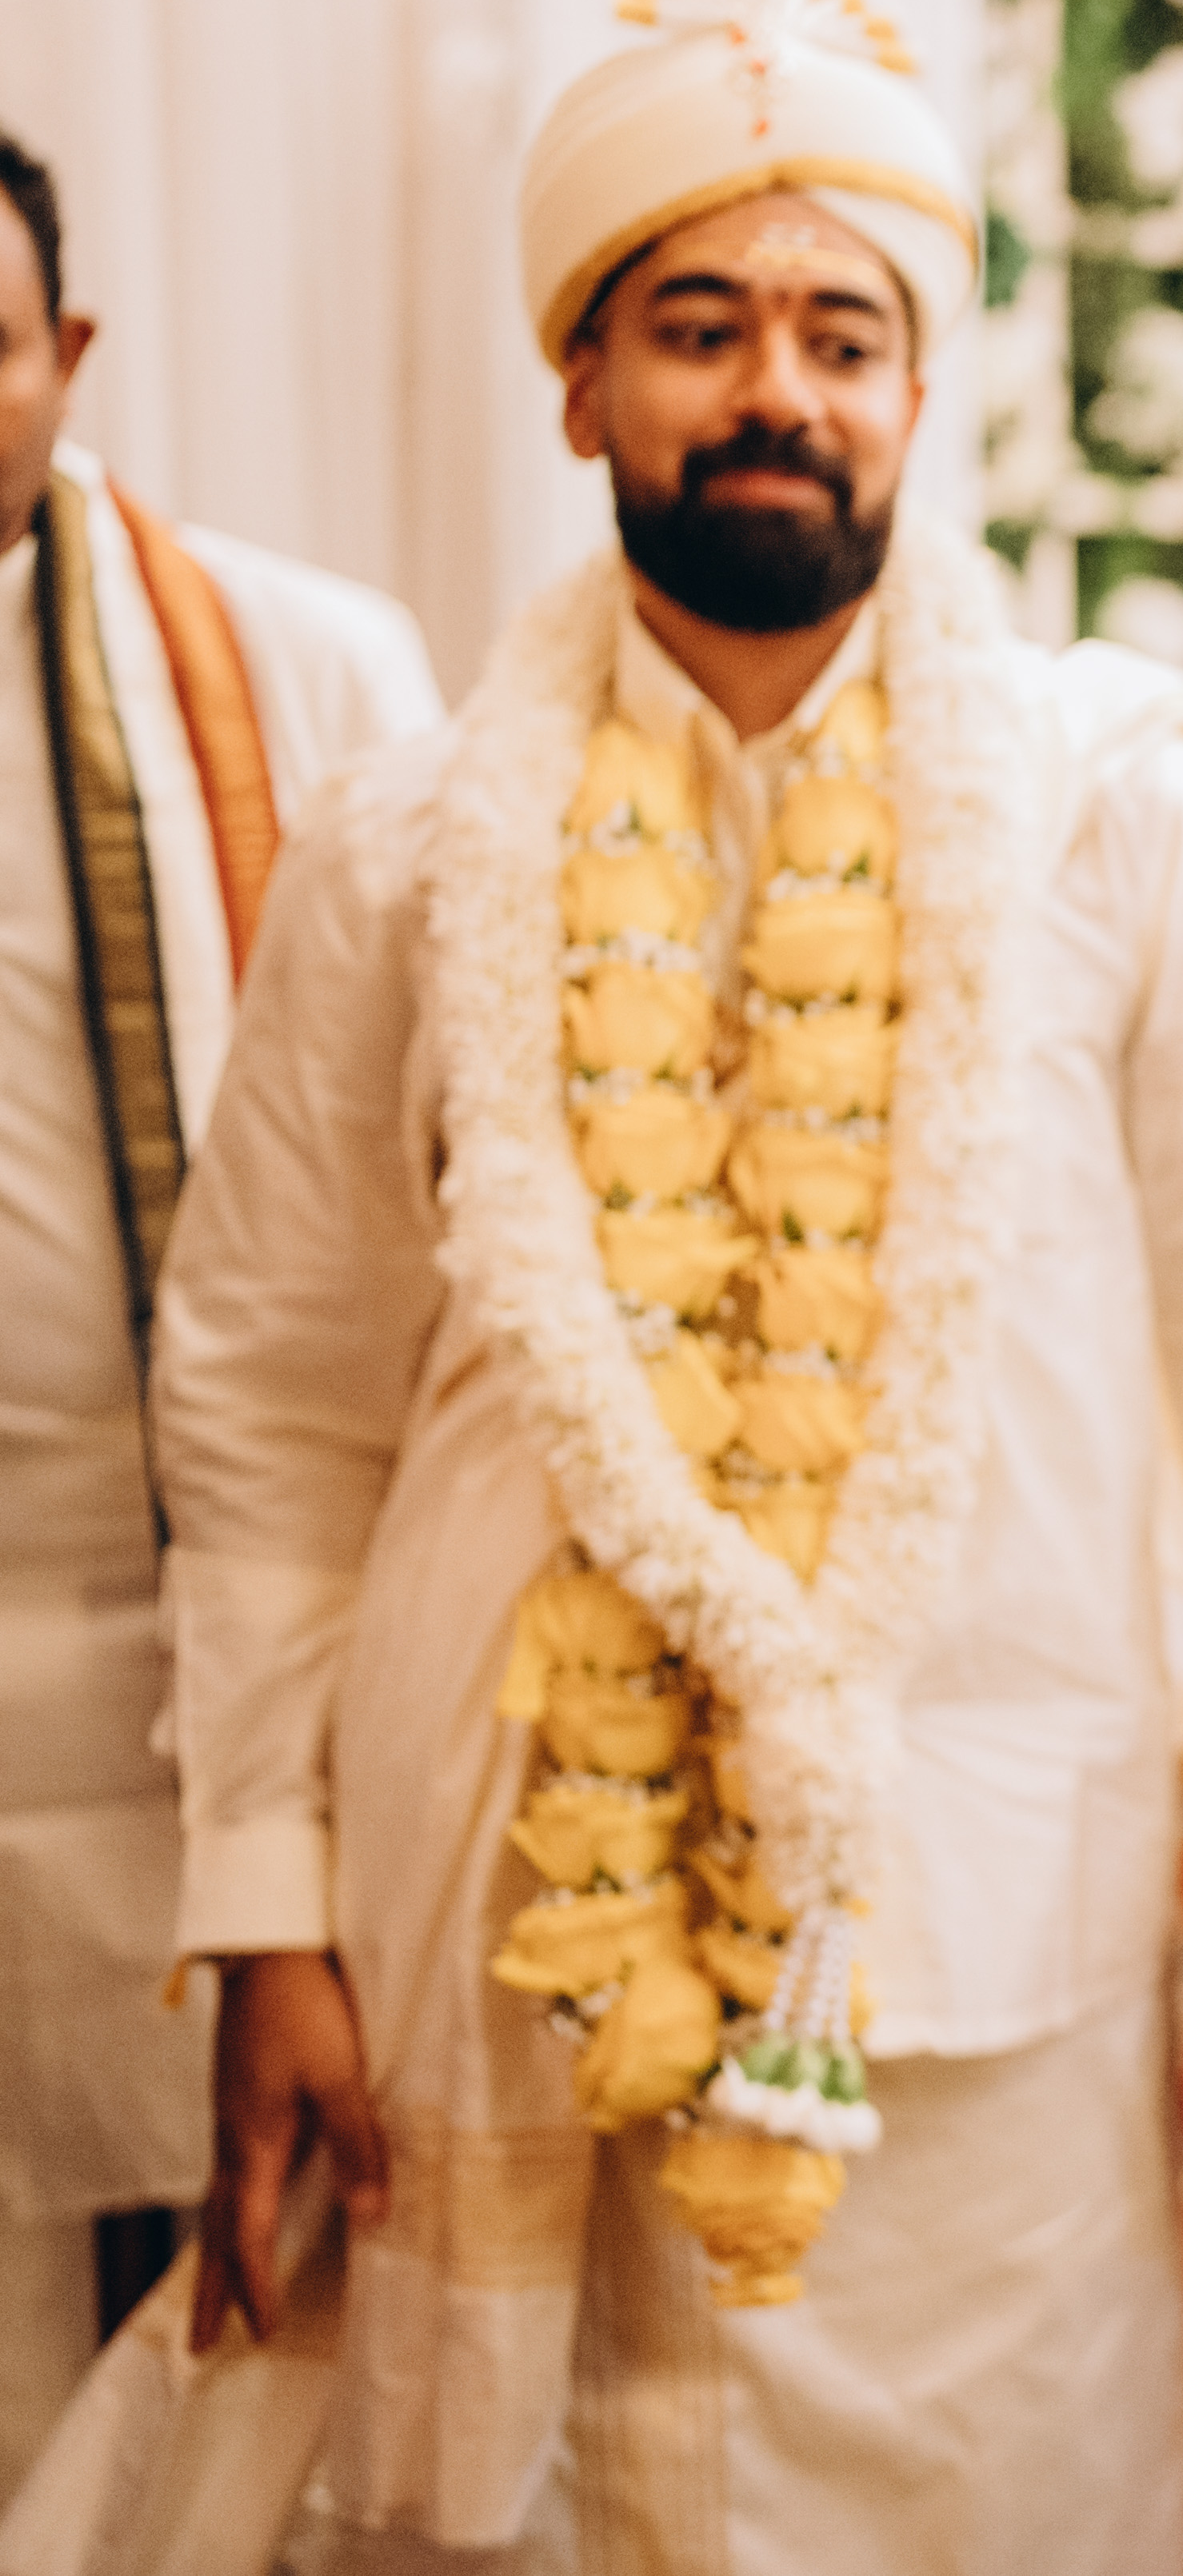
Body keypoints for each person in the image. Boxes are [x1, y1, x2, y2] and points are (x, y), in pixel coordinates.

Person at [0, 0, 1183, 2576]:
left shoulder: (1124, 810)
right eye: (699, 326)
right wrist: (272, 1912)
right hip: (489, 1890)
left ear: (917, 389)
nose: (779, 386)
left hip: (980, 1910)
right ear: (582, 385)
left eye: (840, 333)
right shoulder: (406, 845)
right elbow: (276, 1412)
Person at [0, 130, 440, 2482]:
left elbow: (408, 1183)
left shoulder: (304, 663)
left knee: (200, 2351)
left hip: (178, 1630)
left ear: (66, 355)